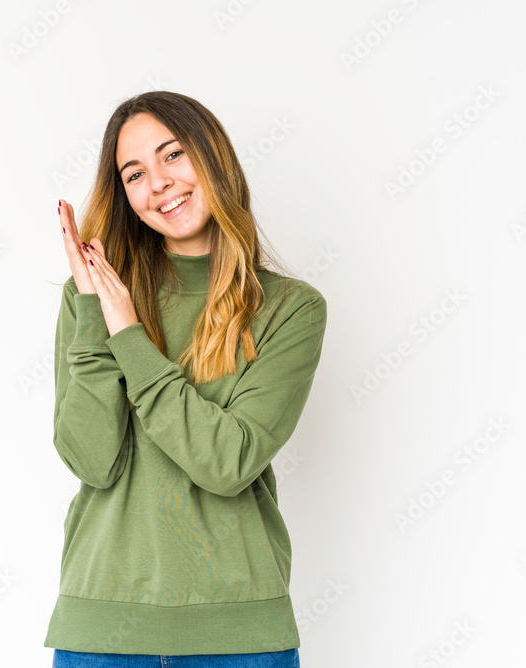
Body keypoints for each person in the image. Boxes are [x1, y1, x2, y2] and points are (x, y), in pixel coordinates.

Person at [45, 90, 326, 667]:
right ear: (125, 196)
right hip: (102, 633)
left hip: (238, 636)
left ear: (212, 156)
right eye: (135, 173)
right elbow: (91, 460)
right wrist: (100, 310)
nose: (160, 183)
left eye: (172, 155)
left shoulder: (290, 309)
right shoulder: (91, 300)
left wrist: (131, 339)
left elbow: (228, 463)